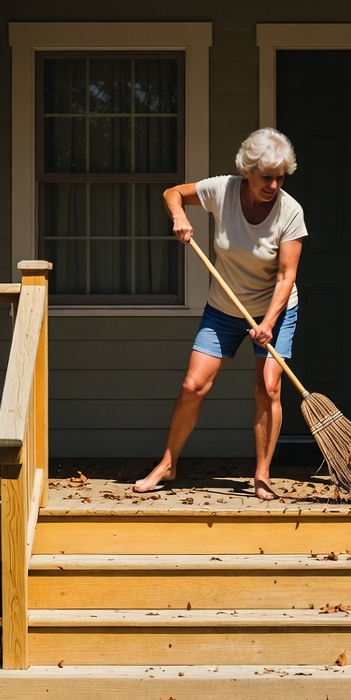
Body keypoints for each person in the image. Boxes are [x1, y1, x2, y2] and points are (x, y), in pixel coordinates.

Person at [134, 128, 307, 500]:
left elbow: (286, 276)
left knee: (269, 388)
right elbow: (173, 193)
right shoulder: (223, 190)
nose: (274, 185)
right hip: (224, 308)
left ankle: (262, 475)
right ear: (248, 171)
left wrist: (268, 323)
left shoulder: (290, 212)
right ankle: (167, 464)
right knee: (192, 386)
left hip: (274, 309)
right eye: (266, 177)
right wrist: (179, 216)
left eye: (280, 177)